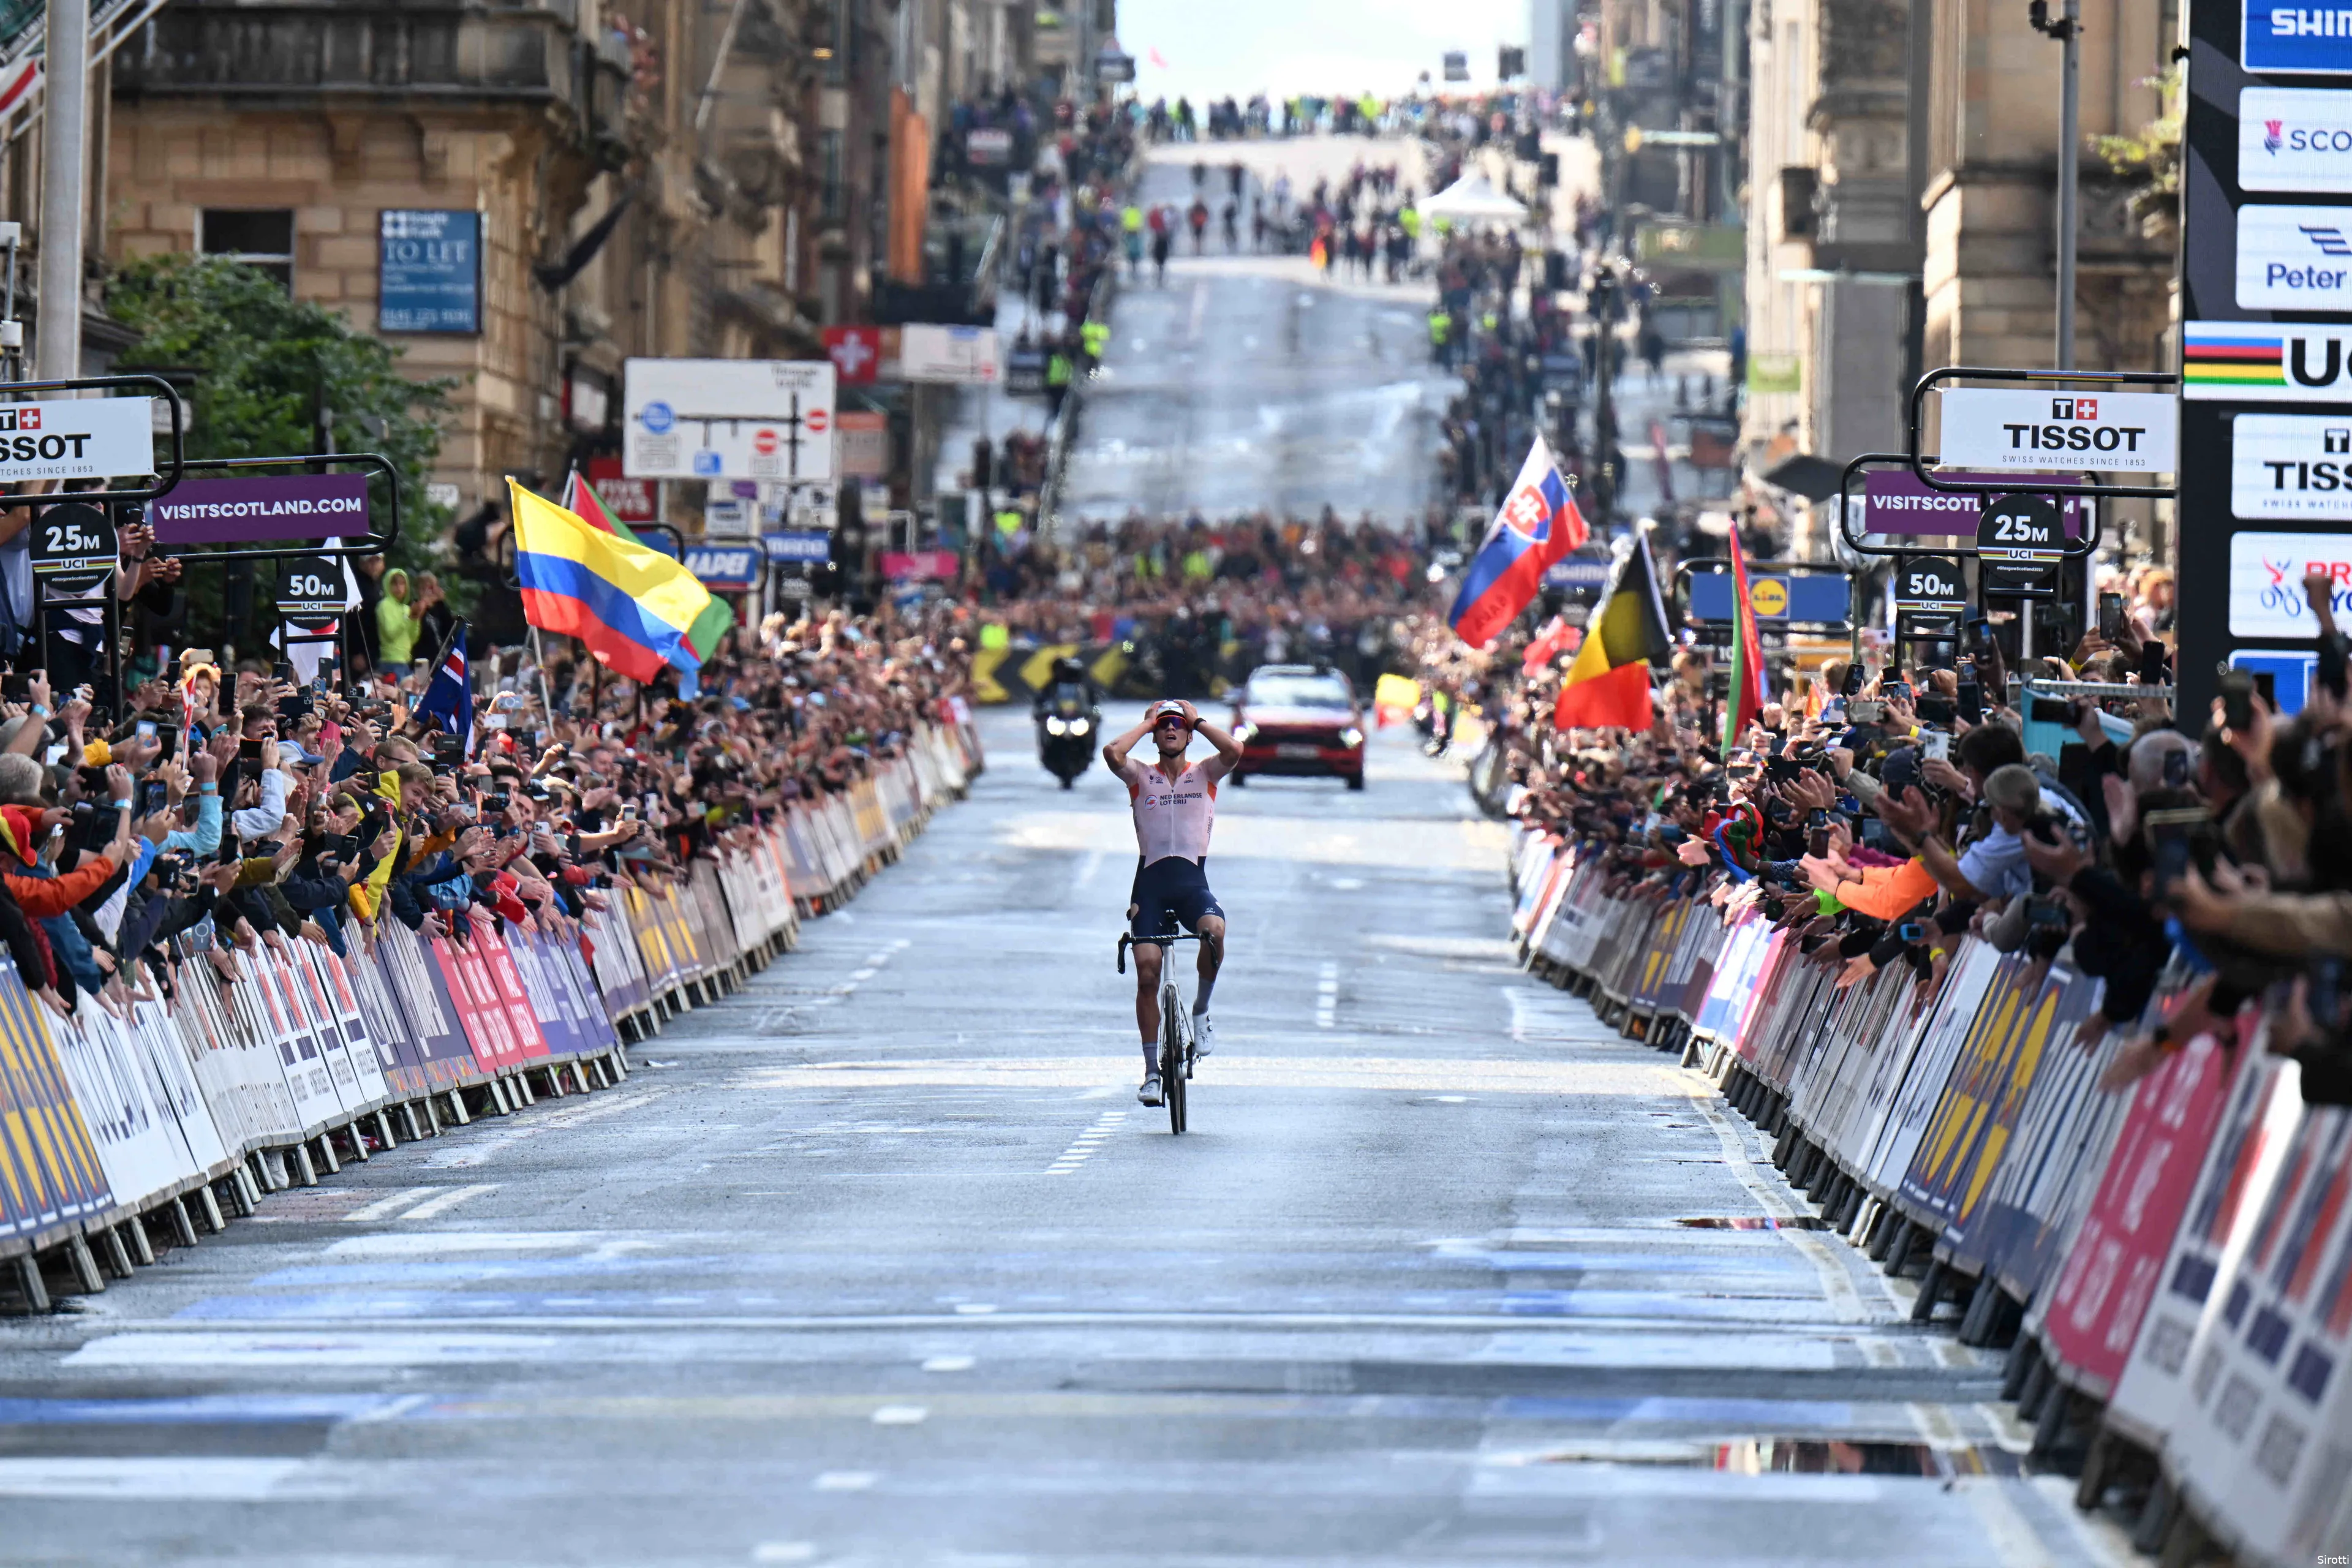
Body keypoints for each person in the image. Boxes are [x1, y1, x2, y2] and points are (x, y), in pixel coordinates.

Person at [1103, 698, 1242, 1106]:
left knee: (1214, 932)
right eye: (1164, 726)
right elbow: (1113, 753)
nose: (1170, 730)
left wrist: (1197, 719)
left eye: (1176, 725)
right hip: (1150, 885)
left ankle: (1200, 1012)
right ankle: (1150, 1072)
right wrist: (1146, 723)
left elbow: (1234, 751)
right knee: (1147, 973)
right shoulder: (1140, 777)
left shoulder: (1205, 774)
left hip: (1190, 884)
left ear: (1188, 734)